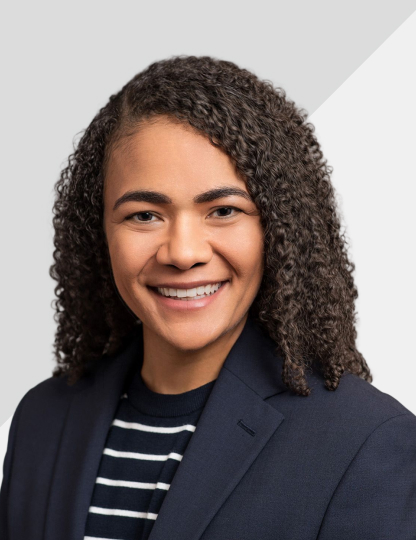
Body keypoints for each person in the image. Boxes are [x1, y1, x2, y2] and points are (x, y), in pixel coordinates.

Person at [1, 55, 415, 540]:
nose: (183, 253)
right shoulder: (41, 420)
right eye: (144, 215)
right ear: (101, 233)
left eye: (223, 210)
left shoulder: (365, 443)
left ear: (278, 230)